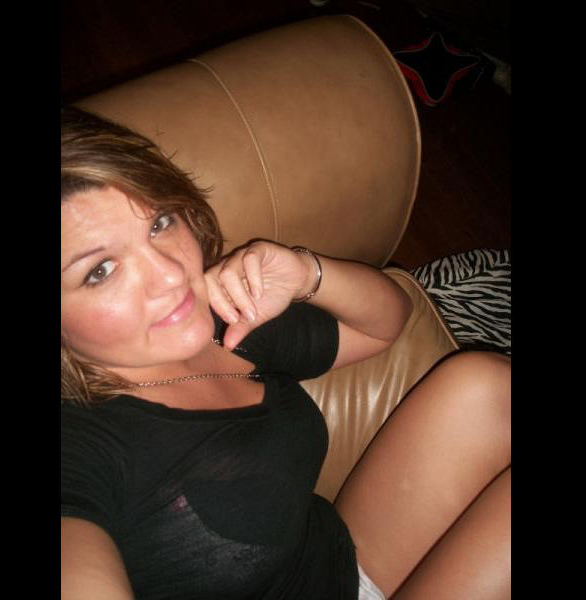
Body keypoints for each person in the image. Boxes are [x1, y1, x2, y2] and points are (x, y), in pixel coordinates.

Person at [61, 106, 511, 600]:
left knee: (485, 385)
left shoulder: (222, 320)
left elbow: (385, 323)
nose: (171, 274)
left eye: (160, 223)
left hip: (343, 569)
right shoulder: (79, 447)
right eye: (100, 271)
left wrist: (305, 272)